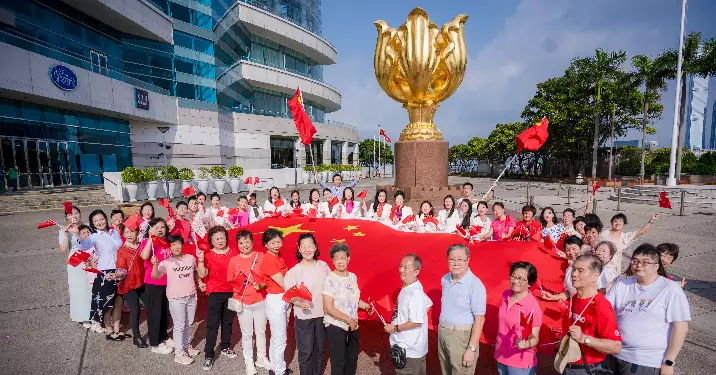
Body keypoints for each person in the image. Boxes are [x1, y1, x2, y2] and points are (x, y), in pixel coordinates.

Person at [605, 244, 691, 375]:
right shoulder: (623, 284)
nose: (639, 265)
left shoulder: (670, 288)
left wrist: (669, 362)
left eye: (645, 262)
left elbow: (681, 327)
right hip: (614, 353)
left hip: (645, 361)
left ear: (656, 266)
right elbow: (604, 311)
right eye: (635, 261)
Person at [560, 254, 622, 374]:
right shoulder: (574, 298)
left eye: (580, 271)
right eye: (573, 269)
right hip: (567, 365)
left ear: (595, 275)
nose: (574, 274)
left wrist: (584, 338)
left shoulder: (601, 306)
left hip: (588, 368)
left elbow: (616, 346)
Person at [323, 244, 373, 375]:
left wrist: (366, 306)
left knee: (352, 360)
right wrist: (348, 319)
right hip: (336, 325)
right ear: (332, 261)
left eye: (343, 258)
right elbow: (328, 307)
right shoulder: (330, 279)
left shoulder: (352, 277)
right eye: (336, 258)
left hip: (353, 324)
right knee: (339, 362)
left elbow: (354, 299)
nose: (340, 261)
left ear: (348, 258)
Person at [284, 233, 331, 375]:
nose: (307, 249)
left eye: (310, 246)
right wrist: (298, 303)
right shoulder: (294, 271)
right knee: (305, 352)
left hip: (322, 315)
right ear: (299, 249)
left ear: (315, 247)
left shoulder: (323, 266)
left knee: (320, 350)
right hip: (304, 317)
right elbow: (289, 295)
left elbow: (331, 287)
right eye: (304, 247)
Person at [438, 244, 486, 375]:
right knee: (445, 371)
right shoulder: (445, 279)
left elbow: (480, 320)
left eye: (460, 259)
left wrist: (471, 348)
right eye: (452, 259)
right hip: (443, 332)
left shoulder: (475, 284)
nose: (456, 263)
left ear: (468, 260)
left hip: (461, 337)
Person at [196, 226, 240, 370]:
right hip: (215, 292)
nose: (220, 240)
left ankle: (225, 346)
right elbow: (202, 274)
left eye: (222, 237)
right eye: (217, 238)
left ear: (226, 238)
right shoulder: (208, 255)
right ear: (211, 241)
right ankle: (209, 354)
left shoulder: (234, 251)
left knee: (228, 321)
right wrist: (201, 260)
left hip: (232, 292)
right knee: (213, 324)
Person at [151, 234, 199, 365]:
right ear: (169, 247)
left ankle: (185, 346)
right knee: (179, 325)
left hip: (191, 295)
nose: (176, 247)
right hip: (176, 298)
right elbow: (155, 276)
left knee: (189, 323)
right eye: (173, 245)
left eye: (178, 243)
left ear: (183, 245)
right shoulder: (166, 262)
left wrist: (199, 283)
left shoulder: (191, 258)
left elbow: (195, 273)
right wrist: (154, 265)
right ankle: (179, 354)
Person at [227, 229, 270, 375]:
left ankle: (261, 358)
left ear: (252, 242)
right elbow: (230, 281)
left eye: (247, 241)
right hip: (243, 302)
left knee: (261, 332)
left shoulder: (261, 256)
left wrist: (262, 285)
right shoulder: (233, 260)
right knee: (247, 334)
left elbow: (267, 278)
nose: (244, 245)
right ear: (237, 244)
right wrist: (239, 281)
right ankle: (249, 361)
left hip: (260, 301)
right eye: (241, 242)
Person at [385, 254, 432, 375]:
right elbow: (427, 304)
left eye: (406, 268)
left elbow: (416, 321)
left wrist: (394, 328)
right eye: (401, 266)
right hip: (411, 348)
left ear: (416, 272)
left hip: (409, 351)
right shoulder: (410, 287)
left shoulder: (415, 292)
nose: (401, 270)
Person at [494, 262, 543, 375]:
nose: (515, 281)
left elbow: (534, 339)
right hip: (501, 354)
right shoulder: (506, 295)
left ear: (530, 283)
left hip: (519, 361)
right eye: (514, 276)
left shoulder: (532, 307)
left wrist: (525, 344)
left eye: (521, 279)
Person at [87, 210, 125, 341]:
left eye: (101, 219)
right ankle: (109, 330)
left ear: (106, 218)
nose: (100, 222)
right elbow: (82, 247)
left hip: (120, 269)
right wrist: (75, 233)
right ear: (92, 223)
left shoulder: (114, 231)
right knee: (108, 303)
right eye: (96, 221)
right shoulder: (94, 236)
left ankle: (117, 329)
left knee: (119, 301)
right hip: (106, 271)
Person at [139, 218, 173, 354]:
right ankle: (155, 343)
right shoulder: (147, 242)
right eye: (157, 227)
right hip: (154, 282)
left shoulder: (167, 242)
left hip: (168, 282)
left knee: (165, 312)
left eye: (163, 227)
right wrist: (150, 239)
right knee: (155, 313)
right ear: (151, 229)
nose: (160, 229)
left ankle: (163, 336)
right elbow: (144, 256)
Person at [261, 228, 291, 375]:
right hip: (276, 299)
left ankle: (276, 366)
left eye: (279, 241)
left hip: (283, 298)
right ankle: (279, 370)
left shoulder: (278, 256)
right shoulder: (269, 259)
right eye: (272, 242)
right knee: (280, 337)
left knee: (278, 335)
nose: (276, 245)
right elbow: (283, 282)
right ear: (266, 244)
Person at [59, 205, 92, 327]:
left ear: (80, 214)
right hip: (75, 261)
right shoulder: (64, 230)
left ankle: (94, 313)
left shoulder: (87, 225)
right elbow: (63, 249)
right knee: (78, 288)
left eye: (76, 213)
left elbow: (89, 243)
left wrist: (78, 232)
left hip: (89, 257)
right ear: (67, 217)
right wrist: (66, 235)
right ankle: (83, 316)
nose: (74, 216)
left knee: (91, 286)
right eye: (70, 214)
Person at [116, 223, 147, 348]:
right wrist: (117, 275)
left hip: (143, 281)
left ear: (137, 232)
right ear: (123, 234)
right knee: (135, 309)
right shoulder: (122, 250)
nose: (130, 234)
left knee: (151, 306)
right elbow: (122, 269)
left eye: (132, 231)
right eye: (127, 232)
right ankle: (137, 336)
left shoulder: (142, 246)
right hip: (129, 283)